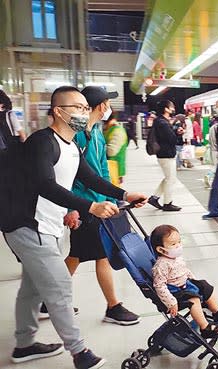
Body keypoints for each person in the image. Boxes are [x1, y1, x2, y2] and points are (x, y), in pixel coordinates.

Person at [4, 86, 147, 368]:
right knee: (59, 289)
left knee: (32, 289)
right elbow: (44, 185)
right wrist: (89, 207)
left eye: (85, 108)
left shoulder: (72, 145)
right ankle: (79, 353)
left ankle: (24, 345)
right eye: (77, 108)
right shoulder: (42, 142)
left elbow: (91, 178)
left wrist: (124, 194)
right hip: (27, 224)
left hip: (47, 225)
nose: (84, 113)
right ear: (58, 111)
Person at [43, 86, 140, 326]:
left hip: (99, 203)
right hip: (85, 206)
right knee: (100, 256)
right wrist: (71, 208)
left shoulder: (95, 132)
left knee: (77, 256)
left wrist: (116, 196)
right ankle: (113, 306)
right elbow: (65, 176)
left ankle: (48, 301)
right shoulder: (75, 137)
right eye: (107, 102)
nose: (109, 107)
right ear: (101, 106)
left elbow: (101, 170)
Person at [151, 224, 218, 338]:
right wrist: (171, 302)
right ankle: (205, 328)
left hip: (185, 283)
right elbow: (159, 285)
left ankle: (217, 312)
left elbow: (184, 270)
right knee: (193, 299)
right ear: (161, 249)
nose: (178, 246)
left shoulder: (176, 257)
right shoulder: (161, 265)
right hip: (174, 291)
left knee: (205, 286)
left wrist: (195, 281)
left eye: (179, 242)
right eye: (173, 244)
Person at [148, 100, 182, 212]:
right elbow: (171, 139)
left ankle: (154, 198)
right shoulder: (162, 123)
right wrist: (177, 132)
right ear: (166, 109)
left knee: (169, 178)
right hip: (166, 154)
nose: (173, 109)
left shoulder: (161, 121)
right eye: (171, 107)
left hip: (164, 154)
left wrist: (175, 130)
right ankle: (167, 203)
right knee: (170, 179)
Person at [104, 114, 129, 184]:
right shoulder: (108, 129)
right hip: (109, 168)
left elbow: (111, 151)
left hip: (114, 169)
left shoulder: (118, 131)